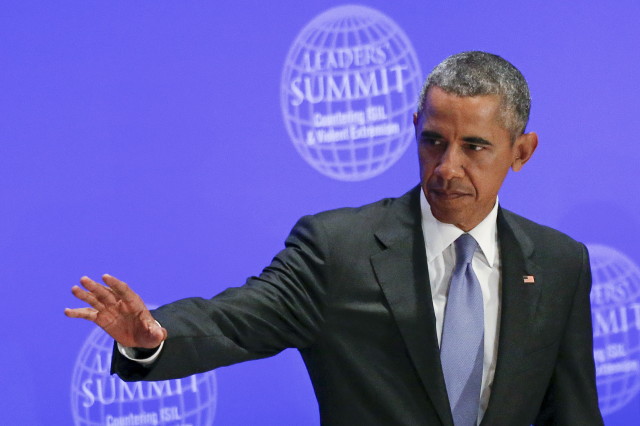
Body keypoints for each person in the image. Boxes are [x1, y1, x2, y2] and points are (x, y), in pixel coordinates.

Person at [65, 51, 604, 425]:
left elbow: (573, 412)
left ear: (522, 151)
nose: (447, 168)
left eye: (475, 148)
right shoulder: (339, 249)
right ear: (416, 125)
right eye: (433, 141)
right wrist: (153, 336)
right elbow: (239, 320)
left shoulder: (560, 264)